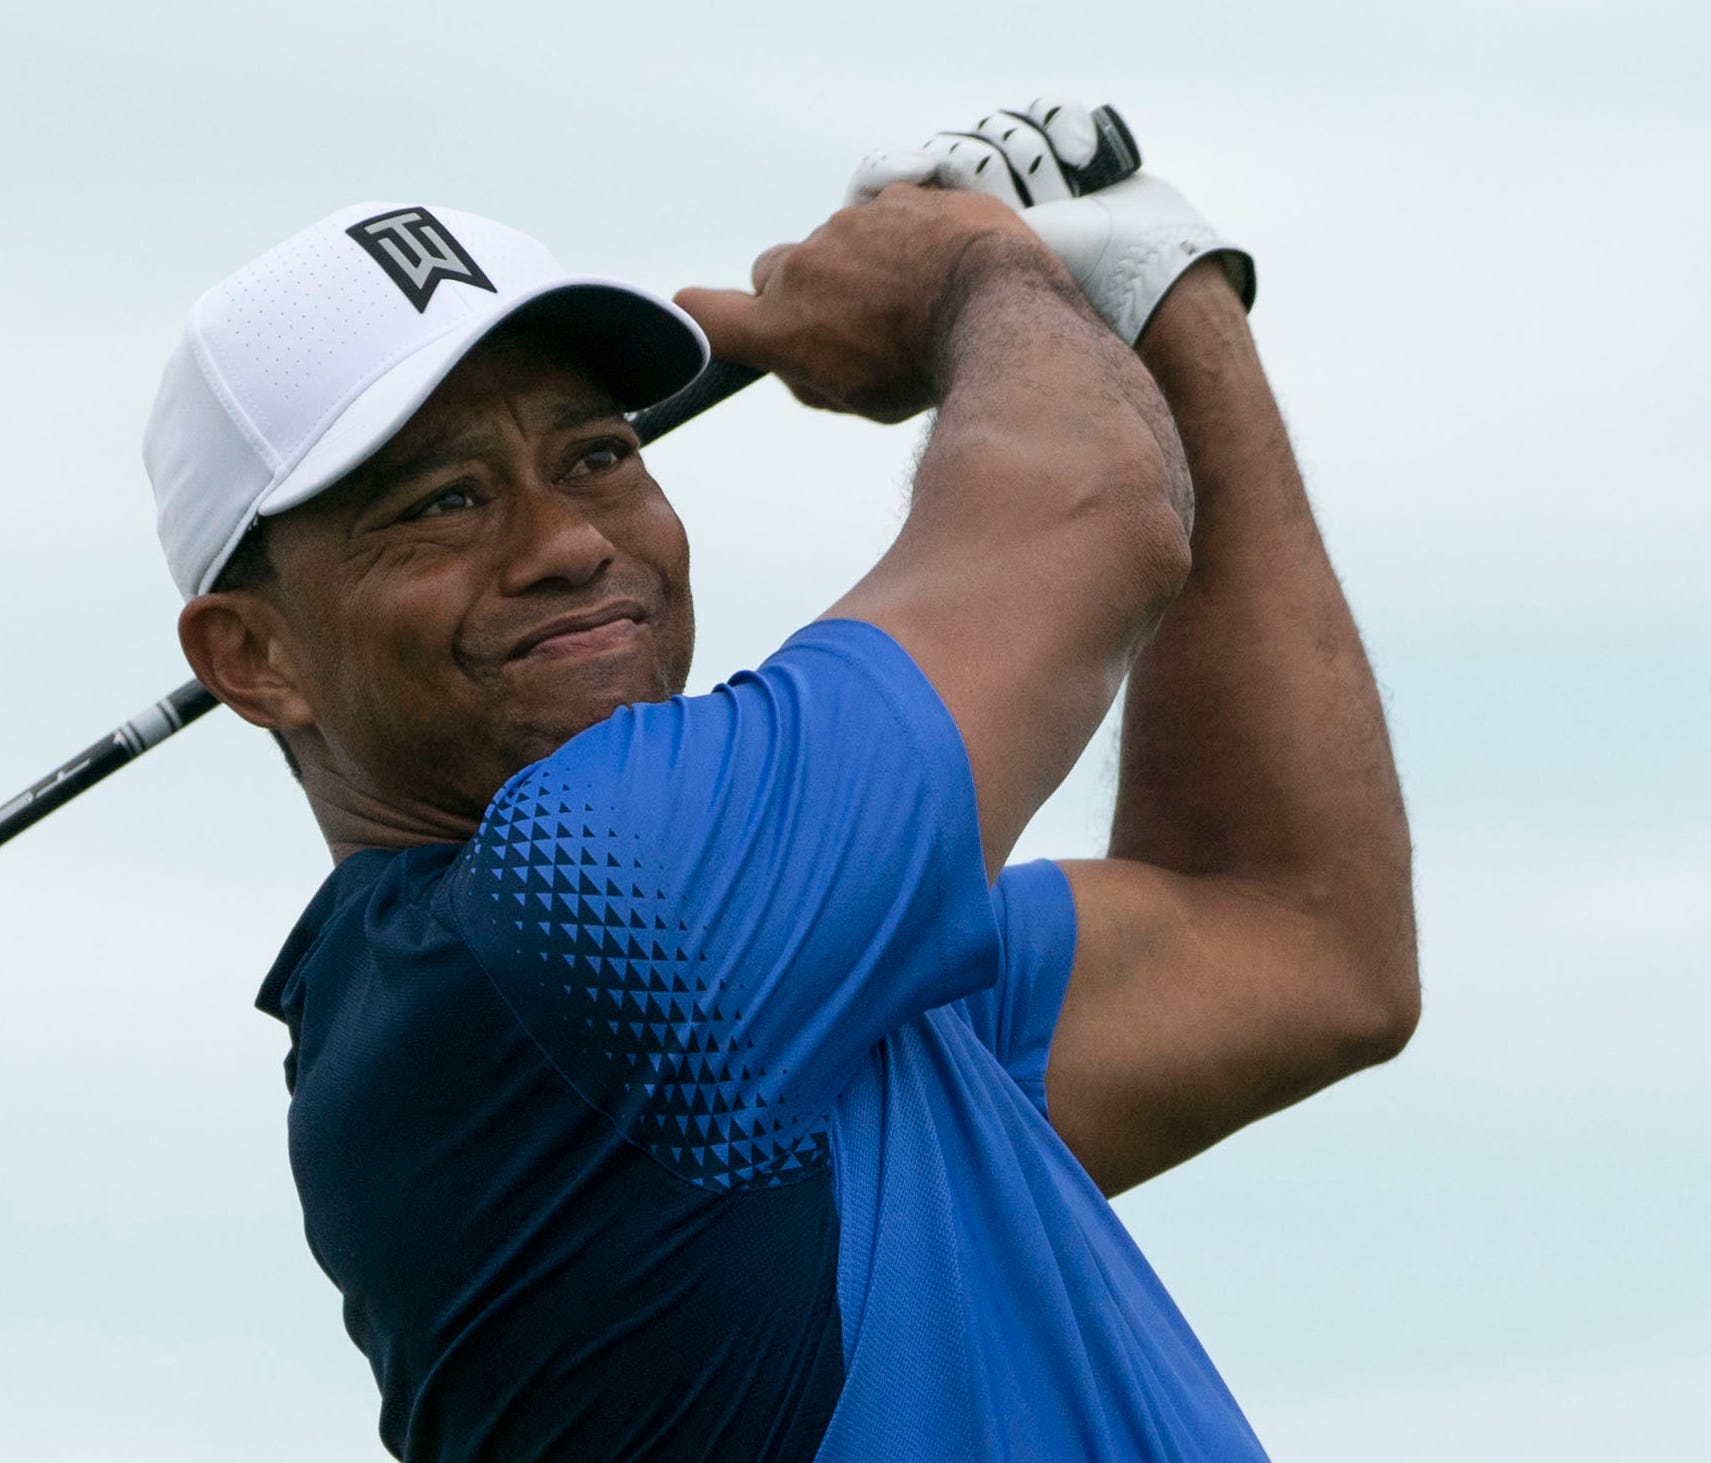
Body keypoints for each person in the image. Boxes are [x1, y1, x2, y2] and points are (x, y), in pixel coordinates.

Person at [146, 99, 1418, 1461]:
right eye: (443, 501)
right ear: (256, 655)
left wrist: (1163, 304)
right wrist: (980, 278)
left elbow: (1301, 940)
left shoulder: (756, 984)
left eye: (598, 454)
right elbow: (1094, 509)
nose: (568, 539)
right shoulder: (583, 914)